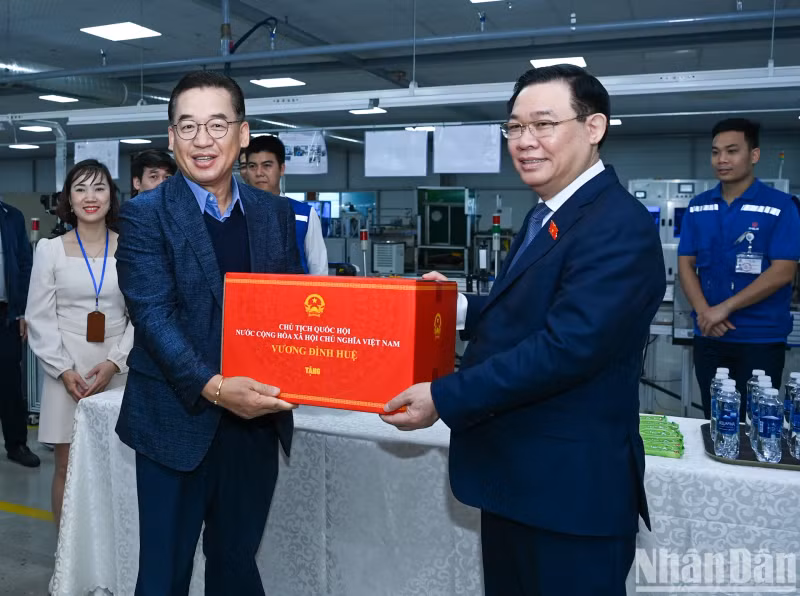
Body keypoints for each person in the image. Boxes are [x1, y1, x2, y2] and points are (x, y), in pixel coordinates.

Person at [381, 65, 665, 596]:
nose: (525, 142)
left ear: (595, 127)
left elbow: (566, 347)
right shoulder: (547, 215)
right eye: (514, 128)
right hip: (520, 481)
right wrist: (456, 307)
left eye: (543, 124)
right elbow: (531, 310)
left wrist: (444, 396)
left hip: (569, 496)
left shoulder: (618, 225)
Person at [115, 71, 303, 596]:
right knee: (163, 576)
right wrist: (217, 388)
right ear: (171, 137)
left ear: (243, 134)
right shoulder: (144, 216)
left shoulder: (275, 213)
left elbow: (289, 313)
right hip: (176, 424)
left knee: (236, 566)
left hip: (254, 427)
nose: (203, 140)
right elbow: (153, 317)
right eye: (188, 126)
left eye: (217, 125)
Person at [26, 159, 132, 526]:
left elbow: (141, 315)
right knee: (66, 465)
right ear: (68, 200)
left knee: (119, 461)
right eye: (81, 189)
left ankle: (114, 557)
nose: (90, 197)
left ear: (111, 197)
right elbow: (39, 316)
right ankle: (68, 561)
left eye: (99, 188)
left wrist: (116, 361)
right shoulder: (49, 250)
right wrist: (63, 370)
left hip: (117, 366)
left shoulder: (131, 247)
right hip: (66, 371)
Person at [678, 118, 800, 420]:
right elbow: (686, 263)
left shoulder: (781, 207)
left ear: (754, 155)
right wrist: (705, 311)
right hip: (709, 337)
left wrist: (724, 309)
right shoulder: (698, 206)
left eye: (732, 151)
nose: (722, 160)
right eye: (716, 152)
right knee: (716, 420)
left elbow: (784, 271)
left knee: (758, 424)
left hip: (759, 338)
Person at [242, 135, 328, 275]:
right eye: (252, 166)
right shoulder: (237, 211)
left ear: (282, 169)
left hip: (295, 294)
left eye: (267, 165)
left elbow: (319, 270)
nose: (259, 173)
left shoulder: (304, 214)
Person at [0, 197, 38, 467]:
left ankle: (17, 444)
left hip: (6, 315)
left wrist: (23, 311)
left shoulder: (11, 217)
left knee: (10, 383)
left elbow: (25, 266)